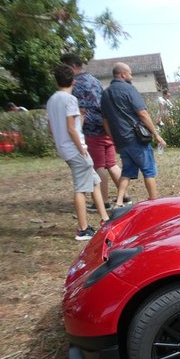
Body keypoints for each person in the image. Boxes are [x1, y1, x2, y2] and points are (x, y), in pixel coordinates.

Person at [45, 64, 109, 241]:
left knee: (94, 180)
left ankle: (105, 219)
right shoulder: (70, 100)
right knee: (81, 188)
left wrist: (78, 120)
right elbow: (72, 130)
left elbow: (52, 128)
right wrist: (82, 150)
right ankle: (82, 229)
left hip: (65, 149)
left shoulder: (51, 100)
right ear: (73, 80)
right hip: (76, 149)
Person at [60, 53, 123, 210]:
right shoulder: (94, 80)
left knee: (99, 166)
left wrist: (76, 131)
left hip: (91, 130)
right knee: (112, 164)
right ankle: (124, 196)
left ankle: (103, 201)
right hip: (106, 126)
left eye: (65, 67)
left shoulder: (75, 85)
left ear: (72, 67)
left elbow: (80, 111)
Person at [100, 62, 165, 206]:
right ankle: (154, 201)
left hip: (121, 140)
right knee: (148, 171)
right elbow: (142, 113)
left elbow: (105, 122)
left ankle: (119, 202)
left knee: (127, 172)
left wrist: (114, 140)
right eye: (130, 73)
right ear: (123, 74)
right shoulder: (129, 89)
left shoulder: (105, 94)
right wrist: (156, 134)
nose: (132, 76)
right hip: (136, 139)